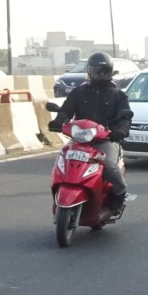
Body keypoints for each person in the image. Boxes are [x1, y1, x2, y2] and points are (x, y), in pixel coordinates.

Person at [48, 51, 133, 214]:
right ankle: (64, 187)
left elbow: (125, 116)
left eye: (104, 71)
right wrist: (59, 121)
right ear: (89, 71)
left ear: (110, 72)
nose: (100, 75)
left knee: (109, 164)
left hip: (105, 139)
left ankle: (120, 192)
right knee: (63, 157)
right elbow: (66, 110)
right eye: (96, 71)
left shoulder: (119, 96)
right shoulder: (79, 92)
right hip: (80, 138)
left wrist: (120, 130)